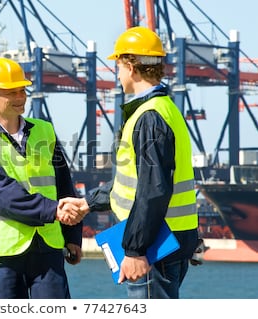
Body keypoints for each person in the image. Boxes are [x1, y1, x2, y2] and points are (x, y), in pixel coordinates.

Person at [63, 26, 199, 299]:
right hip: (169, 239)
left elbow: (153, 190)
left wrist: (136, 250)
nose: (118, 74)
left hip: (154, 247)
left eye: (119, 66)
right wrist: (89, 203)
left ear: (131, 67)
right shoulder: (167, 109)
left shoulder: (148, 117)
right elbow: (134, 183)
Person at [0, 57, 86, 299]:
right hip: (5, 253)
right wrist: (55, 211)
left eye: (22, 90)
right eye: (12, 92)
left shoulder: (45, 131)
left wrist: (73, 236)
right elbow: (3, 198)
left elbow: (64, 183)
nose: (20, 98)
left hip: (48, 247)